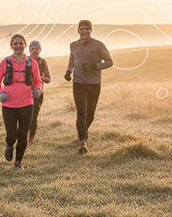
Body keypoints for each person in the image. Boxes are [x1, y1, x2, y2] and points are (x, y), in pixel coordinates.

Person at [63, 20, 113, 154]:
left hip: (94, 83)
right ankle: (82, 141)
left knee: (90, 114)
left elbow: (109, 62)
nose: (84, 31)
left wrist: (95, 66)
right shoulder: (73, 45)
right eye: (82, 29)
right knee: (81, 112)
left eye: (87, 29)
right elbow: (72, 59)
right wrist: (69, 71)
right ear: (78, 31)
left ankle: (83, 131)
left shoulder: (98, 45)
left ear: (91, 31)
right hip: (78, 83)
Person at [0, 34, 43, 170]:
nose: (18, 46)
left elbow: (38, 81)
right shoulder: (5, 62)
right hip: (8, 104)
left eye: (21, 43)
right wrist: (1, 93)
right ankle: (9, 145)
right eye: (15, 44)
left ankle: (18, 161)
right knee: (12, 135)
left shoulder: (31, 63)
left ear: (25, 45)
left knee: (23, 134)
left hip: (27, 103)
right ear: (11, 46)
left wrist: (38, 90)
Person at [28, 40, 51, 143]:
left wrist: (42, 78)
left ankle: (31, 137)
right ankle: (24, 135)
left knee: (34, 116)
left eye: (37, 49)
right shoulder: (25, 60)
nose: (35, 51)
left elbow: (48, 79)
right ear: (29, 50)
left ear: (40, 50)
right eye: (32, 49)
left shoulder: (42, 62)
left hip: (38, 93)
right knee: (25, 116)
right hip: (25, 92)